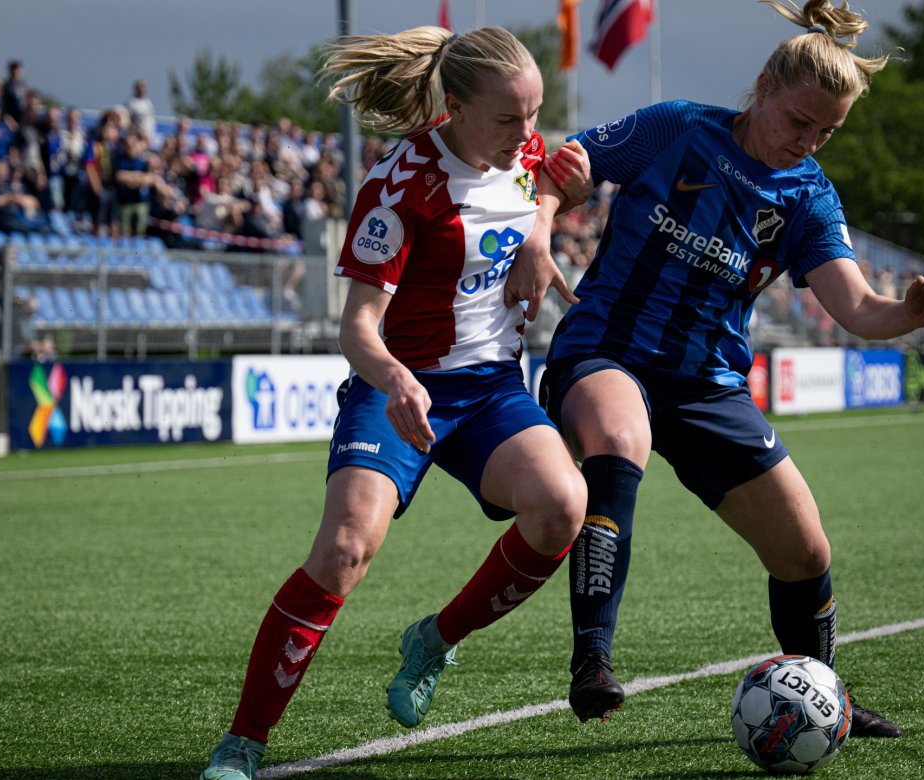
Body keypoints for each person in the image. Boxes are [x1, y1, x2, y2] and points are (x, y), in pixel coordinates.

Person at [505, 0, 924, 737]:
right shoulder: (677, 128)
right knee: (621, 440)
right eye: (799, 122)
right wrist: (538, 230)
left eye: (827, 132)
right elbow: (566, 170)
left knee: (805, 547)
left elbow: (855, 307)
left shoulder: (810, 196)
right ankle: (591, 660)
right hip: (605, 351)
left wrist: (908, 312)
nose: (809, 141)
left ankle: (824, 695)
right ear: (762, 87)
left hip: (705, 385)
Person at [198, 24, 592, 779]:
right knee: (345, 549)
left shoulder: (526, 154)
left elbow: (550, 178)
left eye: (536, 114)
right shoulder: (400, 184)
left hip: (491, 393)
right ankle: (243, 741)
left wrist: (542, 230)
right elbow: (355, 329)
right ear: (456, 107)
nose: (529, 133)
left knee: (562, 507)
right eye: (510, 118)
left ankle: (435, 640)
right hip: (398, 386)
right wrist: (398, 379)